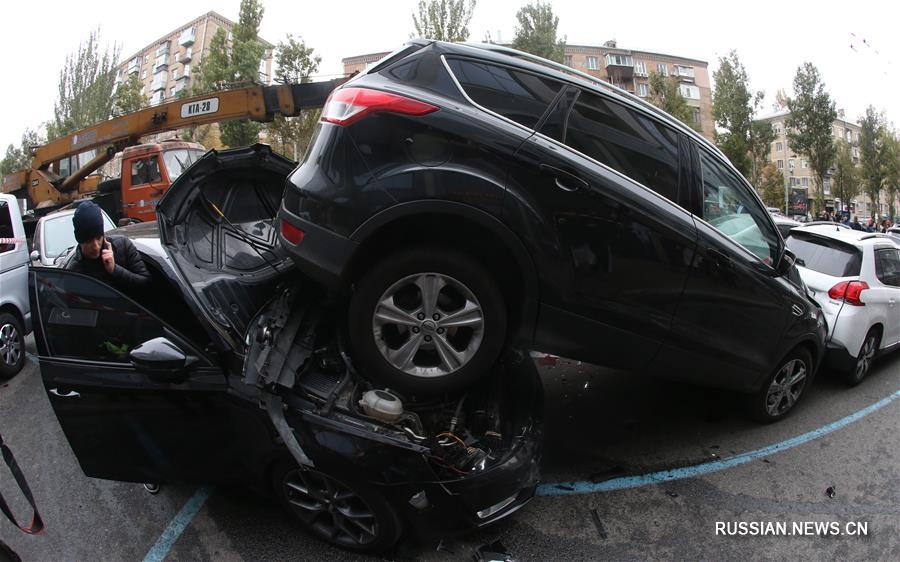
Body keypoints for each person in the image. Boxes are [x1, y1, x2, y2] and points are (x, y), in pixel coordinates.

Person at [65, 201, 151, 292]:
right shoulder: (74, 271)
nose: (95, 246)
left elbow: (147, 284)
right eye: (89, 241)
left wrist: (114, 269)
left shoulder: (123, 245)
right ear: (80, 240)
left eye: (98, 238)